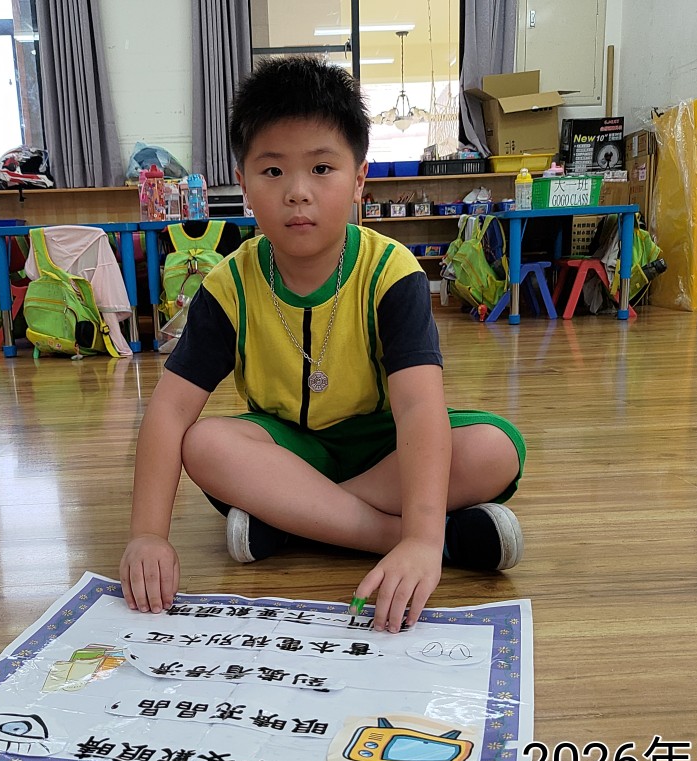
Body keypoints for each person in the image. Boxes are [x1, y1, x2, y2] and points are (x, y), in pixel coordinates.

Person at [119, 56, 526, 633]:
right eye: (273, 171)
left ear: (359, 179)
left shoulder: (391, 272)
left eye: (322, 168)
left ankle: (290, 520)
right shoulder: (228, 285)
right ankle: (409, 536)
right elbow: (169, 412)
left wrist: (419, 537)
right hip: (288, 451)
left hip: (385, 450)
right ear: (243, 183)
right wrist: (147, 535)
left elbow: (418, 408)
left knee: (496, 448)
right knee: (206, 444)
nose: (297, 193)